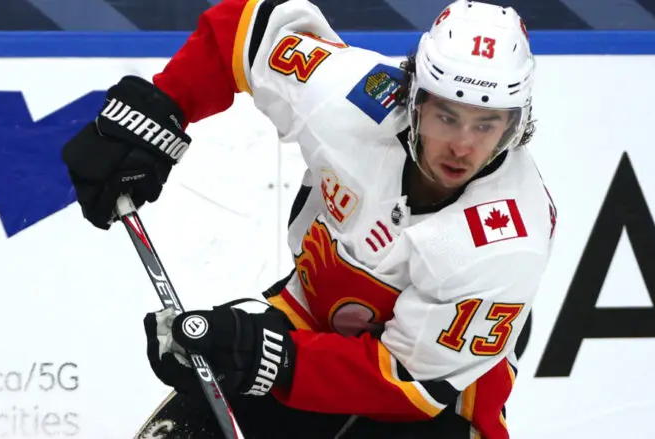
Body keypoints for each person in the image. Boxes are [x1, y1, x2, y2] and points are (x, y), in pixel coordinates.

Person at [60, 0, 557, 437]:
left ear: (516, 123)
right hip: (311, 326)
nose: (464, 146)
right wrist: (159, 110)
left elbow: (410, 384)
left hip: (429, 408)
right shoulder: (354, 99)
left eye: (487, 124)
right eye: (446, 116)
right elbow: (246, 31)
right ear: (414, 97)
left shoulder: (511, 240)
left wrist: (263, 356)